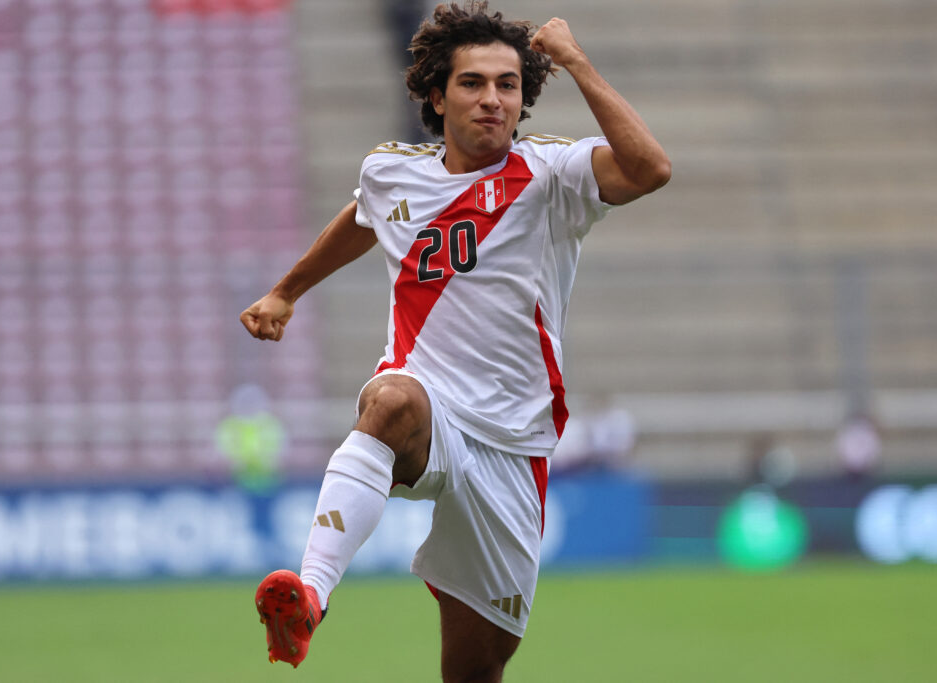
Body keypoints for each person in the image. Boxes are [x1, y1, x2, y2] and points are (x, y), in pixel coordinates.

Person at [240, 3, 669, 680]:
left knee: (474, 669)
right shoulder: (393, 172)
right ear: (438, 95)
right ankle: (310, 599)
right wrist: (287, 289)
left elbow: (650, 170)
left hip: (512, 444)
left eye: (508, 84)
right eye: (474, 83)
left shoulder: (552, 173)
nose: (493, 99)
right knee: (388, 400)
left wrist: (577, 62)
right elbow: (362, 216)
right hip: (431, 405)